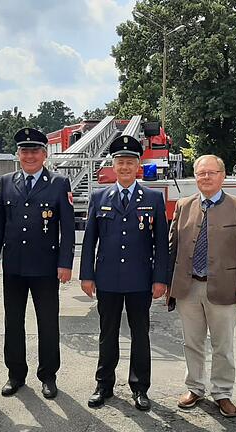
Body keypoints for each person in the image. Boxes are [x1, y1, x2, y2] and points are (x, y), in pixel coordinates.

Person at [79, 135, 168, 411]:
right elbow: (90, 239)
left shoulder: (153, 198)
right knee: (107, 334)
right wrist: (86, 275)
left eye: (130, 162)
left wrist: (160, 278)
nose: (125, 167)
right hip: (107, 278)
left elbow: (161, 243)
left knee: (140, 334)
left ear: (138, 166)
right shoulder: (99, 196)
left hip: (141, 279)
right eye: (120, 162)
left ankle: (140, 387)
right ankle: (103, 384)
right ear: (113, 166)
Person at [0, 127, 75, 399]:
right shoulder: (7, 181)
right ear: (17, 154)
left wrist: (65, 263)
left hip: (46, 267)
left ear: (44, 154)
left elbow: (68, 229)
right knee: (13, 322)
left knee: (47, 323)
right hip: (14, 266)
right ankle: (15, 374)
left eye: (35, 150)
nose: (29, 155)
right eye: (24, 151)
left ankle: (48, 375)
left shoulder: (59, 183)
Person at [167, 155, 236, 417]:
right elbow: (173, 249)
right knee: (191, 343)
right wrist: (169, 285)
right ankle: (194, 387)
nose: (206, 177)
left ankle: (223, 393)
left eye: (211, 173)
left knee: (222, 346)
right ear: (195, 177)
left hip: (224, 290)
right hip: (188, 287)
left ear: (223, 175)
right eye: (201, 173)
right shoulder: (184, 206)